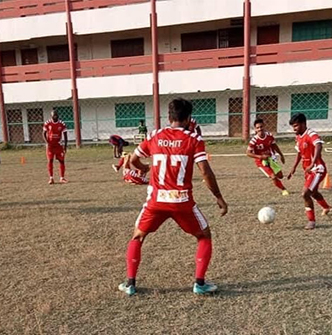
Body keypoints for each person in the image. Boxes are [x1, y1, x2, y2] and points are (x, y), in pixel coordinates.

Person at [118, 98, 228, 296]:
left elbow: (134, 160)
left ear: (169, 117)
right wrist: (218, 197)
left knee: (138, 236)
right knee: (204, 235)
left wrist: (145, 169)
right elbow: (206, 172)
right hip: (182, 202)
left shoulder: (154, 135)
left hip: (156, 201)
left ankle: (130, 284)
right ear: (188, 118)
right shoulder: (194, 139)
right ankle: (199, 283)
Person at [287, 113, 332, 230]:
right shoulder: (298, 137)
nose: (294, 129)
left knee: (305, 193)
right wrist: (294, 167)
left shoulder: (311, 134)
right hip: (308, 170)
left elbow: (318, 145)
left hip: (317, 169)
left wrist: (313, 163)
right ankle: (326, 207)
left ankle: (311, 221)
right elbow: (299, 153)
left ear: (303, 124)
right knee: (314, 192)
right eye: (293, 126)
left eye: (296, 126)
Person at [246, 118, 288, 196]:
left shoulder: (269, 136)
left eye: (261, 127)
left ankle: (277, 182)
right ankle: (283, 189)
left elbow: (274, 145)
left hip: (270, 158)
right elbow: (248, 153)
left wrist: (281, 155)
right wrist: (261, 157)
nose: (260, 129)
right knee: (273, 177)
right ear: (255, 129)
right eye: (257, 128)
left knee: (280, 176)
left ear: (264, 126)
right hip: (261, 161)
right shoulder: (254, 140)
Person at [43, 109, 68, 184]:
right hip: (50, 146)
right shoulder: (47, 123)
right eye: (54, 115)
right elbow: (44, 133)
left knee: (61, 161)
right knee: (50, 160)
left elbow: (65, 135)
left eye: (56, 115)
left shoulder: (62, 124)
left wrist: (65, 146)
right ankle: (51, 178)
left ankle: (62, 178)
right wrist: (47, 142)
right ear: (51, 116)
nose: (55, 117)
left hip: (59, 146)